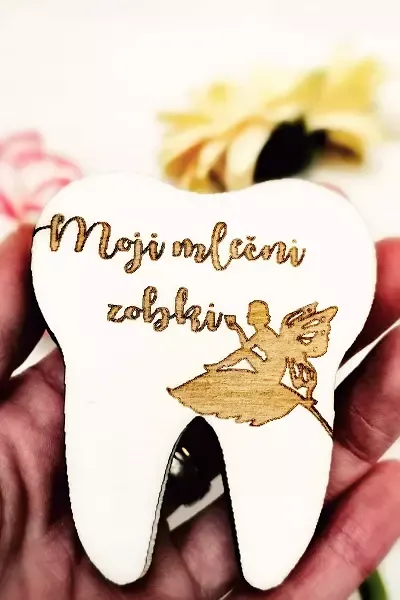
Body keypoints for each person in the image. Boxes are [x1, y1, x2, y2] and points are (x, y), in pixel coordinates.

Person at [1, 216, 400, 600]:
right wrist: (227, 357)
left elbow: (262, 358)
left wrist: (249, 357)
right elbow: (247, 352)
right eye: (257, 317)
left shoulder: (278, 336)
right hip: (251, 382)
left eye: (259, 316)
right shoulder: (264, 333)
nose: (258, 320)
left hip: (264, 389)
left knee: (257, 457)